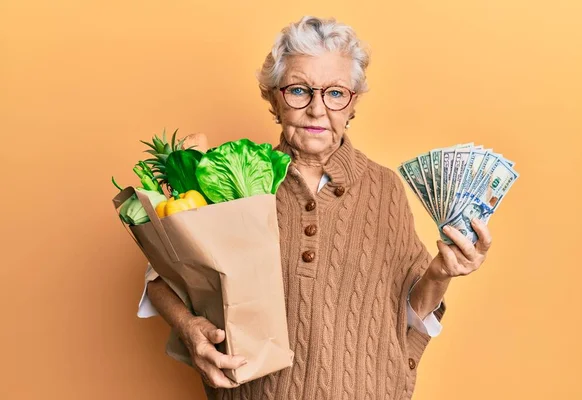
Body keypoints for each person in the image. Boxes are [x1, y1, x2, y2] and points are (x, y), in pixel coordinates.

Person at [138, 16, 492, 400]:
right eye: (299, 90)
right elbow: (161, 277)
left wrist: (440, 274)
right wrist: (190, 329)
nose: (317, 109)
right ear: (273, 97)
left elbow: (408, 315)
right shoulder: (235, 179)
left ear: (353, 104)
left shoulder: (385, 188)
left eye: (336, 93)